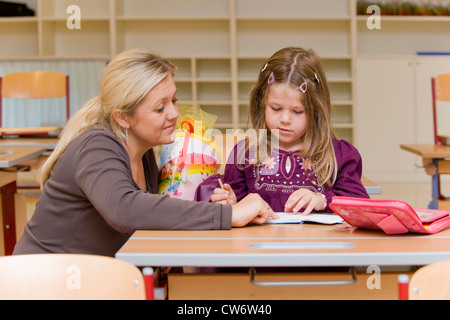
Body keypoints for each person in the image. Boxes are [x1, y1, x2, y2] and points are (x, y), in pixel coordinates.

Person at [13, 48, 276, 258]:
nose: (174, 113)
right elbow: (125, 209)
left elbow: (154, 213)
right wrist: (229, 216)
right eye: (160, 108)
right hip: (45, 283)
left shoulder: (144, 151)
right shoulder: (95, 146)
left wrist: (215, 203)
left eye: (173, 100)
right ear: (123, 117)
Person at [209, 47, 370, 215]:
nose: (285, 119)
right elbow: (234, 202)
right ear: (261, 104)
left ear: (316, 110)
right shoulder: (245, 153)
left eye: (298, 111)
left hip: (320, 242)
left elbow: (361, 207)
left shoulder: (340, 155)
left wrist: (322, 200)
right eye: (276, 108)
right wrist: (231, 203)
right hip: (259, 241)